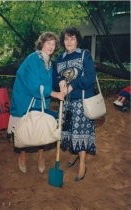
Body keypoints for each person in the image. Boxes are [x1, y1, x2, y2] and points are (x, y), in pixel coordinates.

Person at [7, 32, 64, 174]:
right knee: (26, 129)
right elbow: (34, 84)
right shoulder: (32, 59)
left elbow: (53, 80)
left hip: (41, 100)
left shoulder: (50, 63)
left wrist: (62, 85)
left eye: (53, 44)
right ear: (42, 43)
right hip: (26, 100)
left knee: (40, 129)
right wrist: (54, 93)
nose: (51, 46)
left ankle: (40, 157)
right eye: (48, 43)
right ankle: (22, 157)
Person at [53, 27, 96, 182]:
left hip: (81, 101)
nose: (69, 42)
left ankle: (83, 163)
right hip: (66, 103)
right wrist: (60, 81)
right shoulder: (59, 59)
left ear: (77, 40)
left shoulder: (84, 55)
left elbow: (90, 77)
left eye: (72, 38)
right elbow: (55, 78)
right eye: (66, 39)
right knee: (70, 132)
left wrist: (72, 85)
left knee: (80, 133)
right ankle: (78, 155)